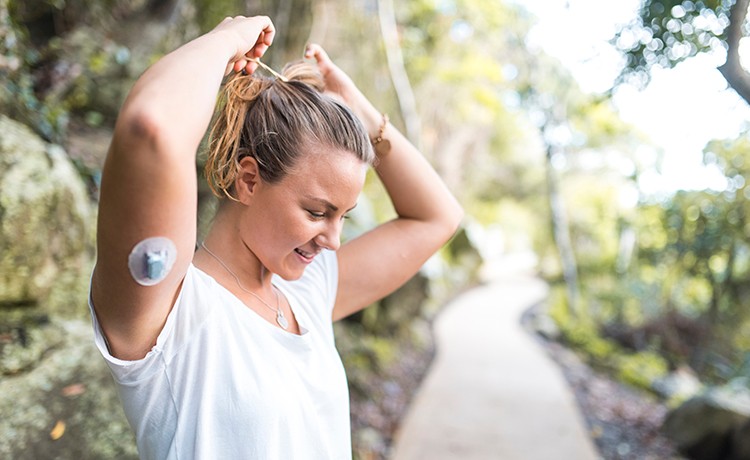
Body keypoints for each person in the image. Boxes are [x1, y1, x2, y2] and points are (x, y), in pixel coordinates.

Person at [90, 15, 463, 459]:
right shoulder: (169, 312)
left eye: (343, 216)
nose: (333, 241)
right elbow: (151, 129)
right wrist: (226, 39)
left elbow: (437, 218)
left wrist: (361, 114)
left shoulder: (307, 291)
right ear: (249, 180)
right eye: (317, 212)